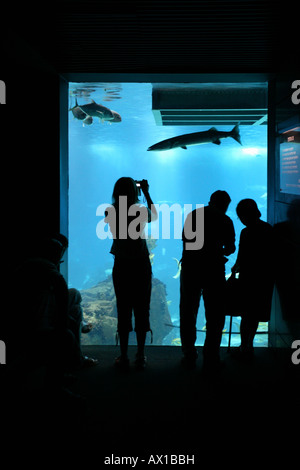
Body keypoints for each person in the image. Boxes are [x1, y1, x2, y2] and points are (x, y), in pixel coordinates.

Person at [180, 190, 236, 372]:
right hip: (213, 271)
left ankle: (189, 353)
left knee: (188, 312)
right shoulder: (225, 220)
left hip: (190, 269)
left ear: (210, 200)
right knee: (215, 315)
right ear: (226, 205)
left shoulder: (193, 215)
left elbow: (185, 240)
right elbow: (229, 248)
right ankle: (211, 356)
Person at [105, 177, 158, 369]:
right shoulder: (140, 210)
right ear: (134, 191)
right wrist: (146, 191)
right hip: (141, 265)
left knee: (123, 308)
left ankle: (124, 355)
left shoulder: (110, 211)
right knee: (142, 308)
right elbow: (154, 216)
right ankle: (141, 354)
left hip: (122, 265)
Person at [231, 199, 275, 359]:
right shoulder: (267, 229)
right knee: (255, 314)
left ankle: (245, 346)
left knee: (246, 314)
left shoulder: (246, 232)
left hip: (249, 279)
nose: (241, 219)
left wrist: (236, 266)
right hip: (264, 279)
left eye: (240, 216)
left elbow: (242, 255)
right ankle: (248, 345)